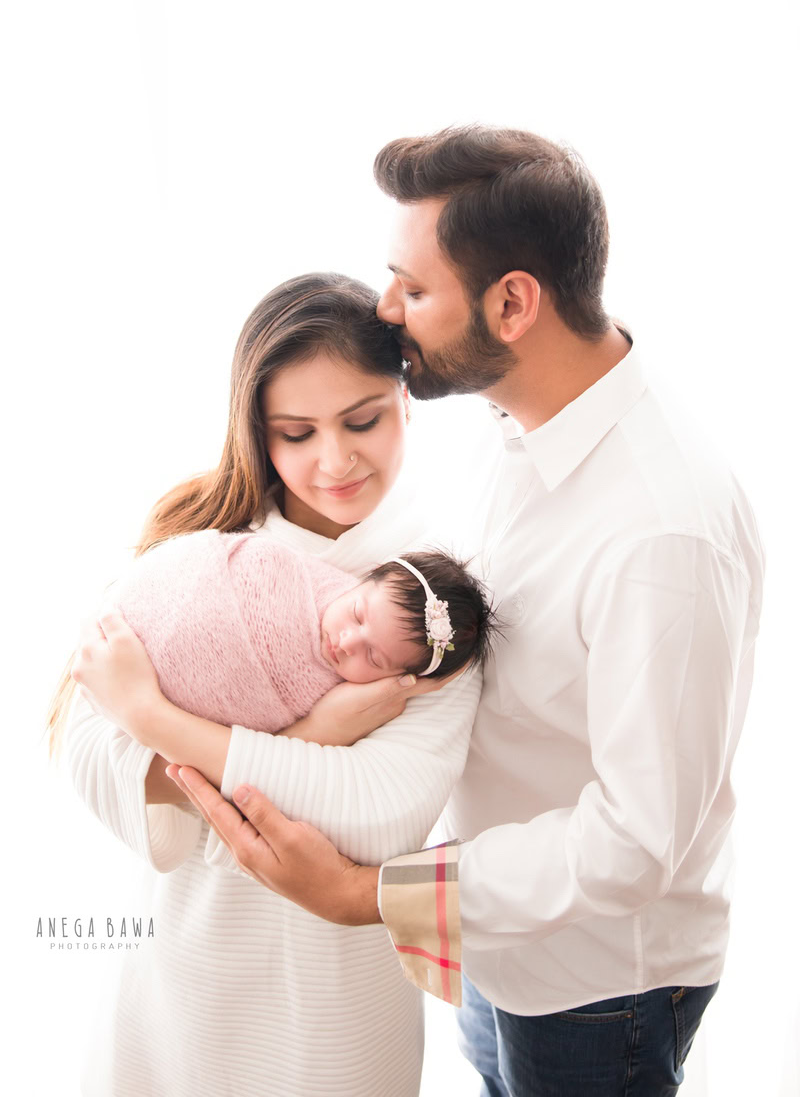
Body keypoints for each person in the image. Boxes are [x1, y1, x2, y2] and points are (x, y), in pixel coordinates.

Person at [153, 127, 765, 1097]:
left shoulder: (660, 531)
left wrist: (368, 895)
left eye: (411, 286)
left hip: (595, 986)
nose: (383, 309)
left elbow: (634, 841)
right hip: (491, 936)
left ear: (511, 302)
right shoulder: (509, 426)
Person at [55, 273, 487, 1097]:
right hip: (178, 974)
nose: (335, 459)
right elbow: (86, 742)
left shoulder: (434, 601)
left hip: (333, 1008)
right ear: (257, 432)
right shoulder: (203, 547)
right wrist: (315, 735)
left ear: (406, 399)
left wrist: (152, 719)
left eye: (363, 419)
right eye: (297, 431)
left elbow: (376, 811)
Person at [99, 528, 496, 730]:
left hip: (148, 704)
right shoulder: (297, 572)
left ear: (399, 677)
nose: (347, 642)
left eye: (374, 657)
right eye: (357, 615)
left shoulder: (347, 704)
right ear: (361, 581)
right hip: (141, 616)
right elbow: (252, 558)